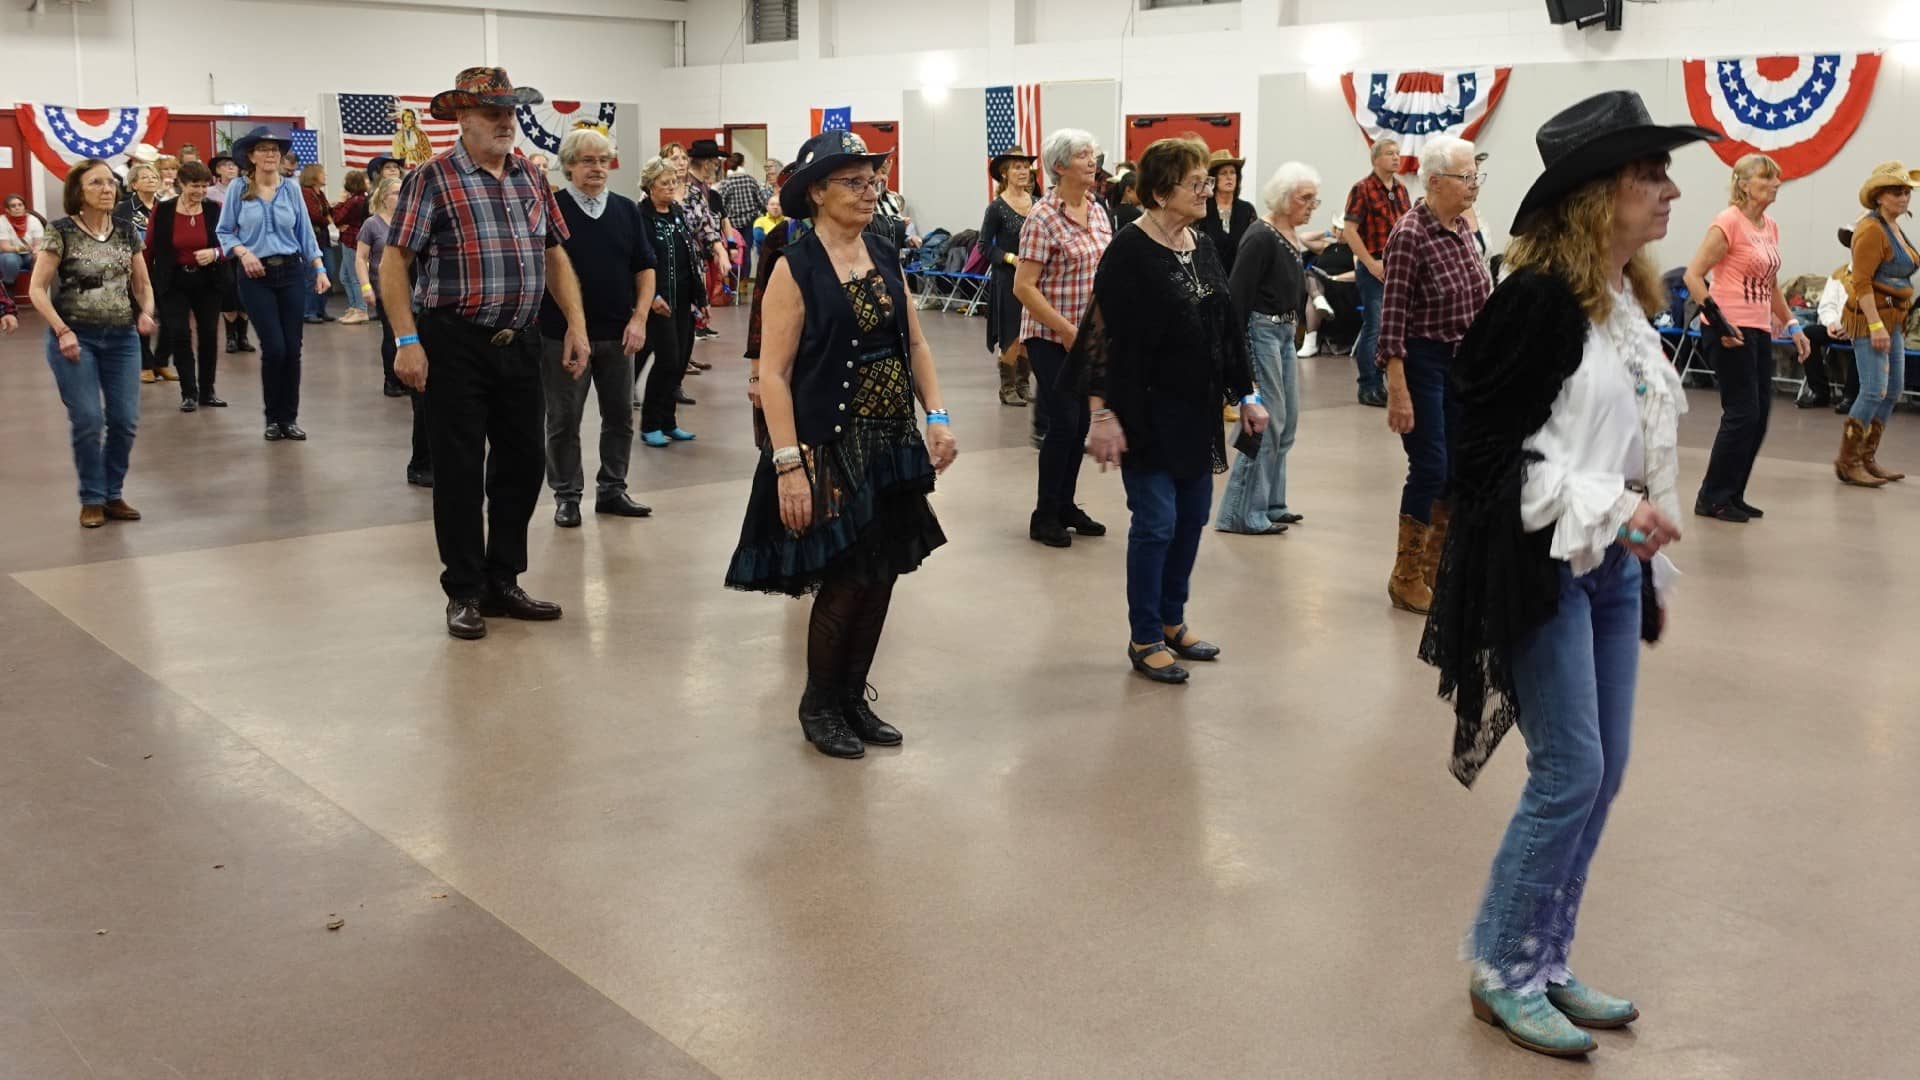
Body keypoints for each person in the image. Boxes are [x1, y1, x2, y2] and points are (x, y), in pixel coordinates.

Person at [1421, 90, 1709, 1059]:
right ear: (1595, 197)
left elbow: (1637, 431)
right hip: (1545, 561)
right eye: (1647, 175)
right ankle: (1502, 965)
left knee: (1604, 771)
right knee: (1570, 770)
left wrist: (1638, 526)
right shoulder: (1536, 303)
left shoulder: (1627, 299)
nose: (1669, 190)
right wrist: (1613, 506)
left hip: (1609, 565)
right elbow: (1491, 461)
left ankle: (1545, 954)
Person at [723, 129, 957, 760]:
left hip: (890, 441)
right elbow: (772, 373)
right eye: (853, 182)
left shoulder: (883, 251)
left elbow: (916, 342)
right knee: (848, 578)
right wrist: (788, 465)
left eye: (872, 180)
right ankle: (818, 704)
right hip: (828, 445)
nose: (868, 191)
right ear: (817, 192)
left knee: (882, 574)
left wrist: (935, 415)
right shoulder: (792, 267)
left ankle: (853, 696)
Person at [382, 67, 590, 641]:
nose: (505, 121)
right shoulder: (434, 178)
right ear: (463, 119)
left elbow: (553, 255)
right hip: (455, 342)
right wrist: (406, 340)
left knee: (522, 465)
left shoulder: (530, 176)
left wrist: (575, 323)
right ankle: (464, 589)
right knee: (458, 470)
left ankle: (504, 580)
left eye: (510, 111)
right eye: (493, 112)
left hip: (520, 341)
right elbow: (395, 261)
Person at [1075, 137, 1267, 683]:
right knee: (1156, 521)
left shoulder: (1200, 243)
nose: (1207, 190)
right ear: (1160, 193)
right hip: (1145, 410)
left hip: (1197, 410)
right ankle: (1144, 635)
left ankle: (1173, 621)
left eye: (1208, 182)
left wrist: (1247, 393)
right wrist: (1101, 413)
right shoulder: (1129, 251)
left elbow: (1226, 328)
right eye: (1196, 183)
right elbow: (1100, 335)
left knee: (1191, 519)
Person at [1379, 135, 1493, 614]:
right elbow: (1393, 318)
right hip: (1423, 361)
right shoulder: (1410, 235)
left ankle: (1434, 569)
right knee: (1429, 465)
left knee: (1455, 467)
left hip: (1462, 365)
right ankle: (1405, 576)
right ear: (1433, 181)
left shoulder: (1464, 228)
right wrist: (1398, 390)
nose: (1473, 186)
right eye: (1465, 178)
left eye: (1475, 177)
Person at [28, 158, 158, 529]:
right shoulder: (60, 231)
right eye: (96, 183)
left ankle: (112, 493)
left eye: (110, 183)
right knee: (87, 419)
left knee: (125, 421)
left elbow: (142, 283)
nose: (107, 189)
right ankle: (91, 498)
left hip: (122, 338)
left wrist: (146, 311)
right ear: (78, 192)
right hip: (74, 338)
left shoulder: (125, 231)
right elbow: (37, 289)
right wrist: (61, 330)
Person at [541, 127, 657, 526]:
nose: (597, 168)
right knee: (563, 419)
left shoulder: (627, 210)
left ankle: (612, 489)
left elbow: (645, 267)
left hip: (618, 334)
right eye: (588, 160)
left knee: (620, 416)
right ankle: (567, 495)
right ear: (569, 165)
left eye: (603, 160)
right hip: (563, 336)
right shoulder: (551, 209)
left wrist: (639, 317)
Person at [1683, 153, 1807, 520]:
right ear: (1744, 183)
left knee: (1759, 415)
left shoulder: (1769, 226)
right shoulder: (1728, 223)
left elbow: (1769, 284)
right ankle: (1712, 497)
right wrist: (1719, 323)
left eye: (1776, 177)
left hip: (1758, 328)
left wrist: (1793, 324)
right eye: (1766, 178)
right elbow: (1693, 276)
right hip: (1728, 330)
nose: (1776, 184)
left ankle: (1733, 492)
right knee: (1742, 412)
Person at [1015, 128, 1112, 548]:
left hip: (1086, 335)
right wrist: (1065, 329)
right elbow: (1024, 286)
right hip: (1049, 335)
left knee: (1082, 424)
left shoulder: (1097, 209)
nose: (1092, 161)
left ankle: (1066, 504)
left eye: (1093, 153)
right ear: (1059, 166)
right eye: (1083, 155)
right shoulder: (1042, 217)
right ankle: (1044, 514)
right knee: (1065, 422)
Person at [1217, 161, 1320, 535]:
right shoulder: (1261, 235)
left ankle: (1272, 503)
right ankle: (1240, 513)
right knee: (1265, 423)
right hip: (1261, 332)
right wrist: (1238, 352)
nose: (1311, 205)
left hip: (1283, 333)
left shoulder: (1290, 233)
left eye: (1314, 198)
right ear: (1283, 197)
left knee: (1286, 422)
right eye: (1305, 198)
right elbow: (1238, 297)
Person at [216, 126, 331, 442]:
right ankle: (272, 418)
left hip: (292, 272)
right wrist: (243, 252)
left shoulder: (292, 189)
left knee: (293, 349)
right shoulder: (239, 189)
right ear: (251, 156)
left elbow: (305, 233)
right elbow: (225, 232)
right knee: (275, 348)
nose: (270, 154)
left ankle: (289, 418)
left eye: (274, 149)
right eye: (263, 149)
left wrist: (319, 269)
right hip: (256, 277)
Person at [1835, 161, 1919, 488]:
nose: (1904, 197)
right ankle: (1848, 461)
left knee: (1893, 389)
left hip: (1893, 318)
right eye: (1897, 191)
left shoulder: (1894, 226)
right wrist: (1875, 326)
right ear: (1879, 196)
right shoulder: (1870, 229)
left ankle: (1867, 458)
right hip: (1872, 318)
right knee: (1873, 390)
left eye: (1907, 192)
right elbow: (1861, 281)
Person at [358, 177, 432, 488]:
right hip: (410, 308)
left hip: (436, 309)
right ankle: (421, 462)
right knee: (424, 395)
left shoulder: (426, 221)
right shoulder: (378, 226)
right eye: (395, 192)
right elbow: (375, 263)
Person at [633, 156, 705, 446]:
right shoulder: (640, 216)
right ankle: (650, 424)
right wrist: (651, 297)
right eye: (665, 183)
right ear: (650, 185)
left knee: (678, 364)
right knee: (667, 361)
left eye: (673, 182)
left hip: (684, 300)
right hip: (657, 302)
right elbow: (636, 260)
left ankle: (669, 421)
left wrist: (701, 299)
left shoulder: (676, 212)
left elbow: (690, 256)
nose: (671, 187)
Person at [146, 161, 228, 412]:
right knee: (179, 333)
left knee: (208, 334)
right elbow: (149, 247)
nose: (201, 191)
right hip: (174, 281)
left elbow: (232, 243)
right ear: (181, 184)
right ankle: (188, 392)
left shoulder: (216, 209)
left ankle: (208, 390)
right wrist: (146, 284)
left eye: (205, 186)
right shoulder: (164, 210)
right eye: (195, 186)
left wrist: (214, 253)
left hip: (208, 281)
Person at [1343, 138, 1411, 407]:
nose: (1396, 158)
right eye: (1389, 153)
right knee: (1375, 325)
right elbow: (1349, 230)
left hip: (1397, 267)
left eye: (1397, 153)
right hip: (1374, 265)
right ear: (1375, 159)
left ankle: (1386, 382)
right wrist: (1371, 263)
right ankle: (1368, 385)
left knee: (1393, 327)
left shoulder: (1402, 190)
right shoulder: (1363, 189)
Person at [981, 147, 1038, 408]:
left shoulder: (1038, 204)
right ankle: (1007, 387)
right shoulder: (997, 208)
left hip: (1035, 280)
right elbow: (985, 246)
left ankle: (1024, 383)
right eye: (1017, 167)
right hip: (1008, 279)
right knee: (1012, 336)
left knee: (1030, 335)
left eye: (1025, 166)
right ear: (1005, 173)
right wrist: (1010, 258)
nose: (1023, 171)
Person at [116, 162, 175, 383]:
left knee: (171, 317)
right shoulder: (123, 209)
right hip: (136, 269)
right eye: (145, 177)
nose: (151, 180)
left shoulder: (166, 206)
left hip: (164, 268)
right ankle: (145, 364)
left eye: (154, 176)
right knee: (141, 315)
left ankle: (161, 362)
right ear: (133, 184)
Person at [682, 140, 732, 345]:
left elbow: (709, 223)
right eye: (715, 163)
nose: (717, 167)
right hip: (687, 252)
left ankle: (693, 341)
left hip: (700, 250)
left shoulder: (701, 186)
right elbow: (700, 223)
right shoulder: (687, 186)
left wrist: (721, 249)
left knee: (703, 291)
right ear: (707, 163)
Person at [1195, 149, 1256, 275]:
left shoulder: (1247, 210)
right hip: (1209, 277)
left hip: (1240, 278)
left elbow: (1254, 247)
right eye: (1223, 173)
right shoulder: (1202, 208)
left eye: (1232, 172)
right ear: (1213, 178)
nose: (1229, 177)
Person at [331, 169, 372, 324]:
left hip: (352, 240)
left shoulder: (355, 201)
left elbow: (337, 218)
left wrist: (340, 202)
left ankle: (361, 309)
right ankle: (355, 306)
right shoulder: (359, 199)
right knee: (345, 276)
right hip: (349, 239)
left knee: (354, 277)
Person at [299, 164, 338, 324]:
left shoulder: (319, 194)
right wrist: (327, 218)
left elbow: (329, 212)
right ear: (313, 175)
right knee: (311, 276)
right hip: (312, 239)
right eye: (322, 173)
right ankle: (309, 311)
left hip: (323, 238)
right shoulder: (306, 193)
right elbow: (314, 216)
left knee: (328, 272)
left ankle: (321, 309)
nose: (325, 176)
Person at [1, 193, 44, 282]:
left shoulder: (33, 220)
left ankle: (36, 285)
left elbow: (38, 244)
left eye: (20, 205)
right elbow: (5, 247)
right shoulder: (2, 221)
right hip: (8, 254)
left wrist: (36, 251)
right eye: (13, 206)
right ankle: (8, 283)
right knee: (10, 260)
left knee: (41, 256)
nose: (17, 208)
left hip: (28, 255)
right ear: (7, 210)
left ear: (24, 207)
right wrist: (22, 248)